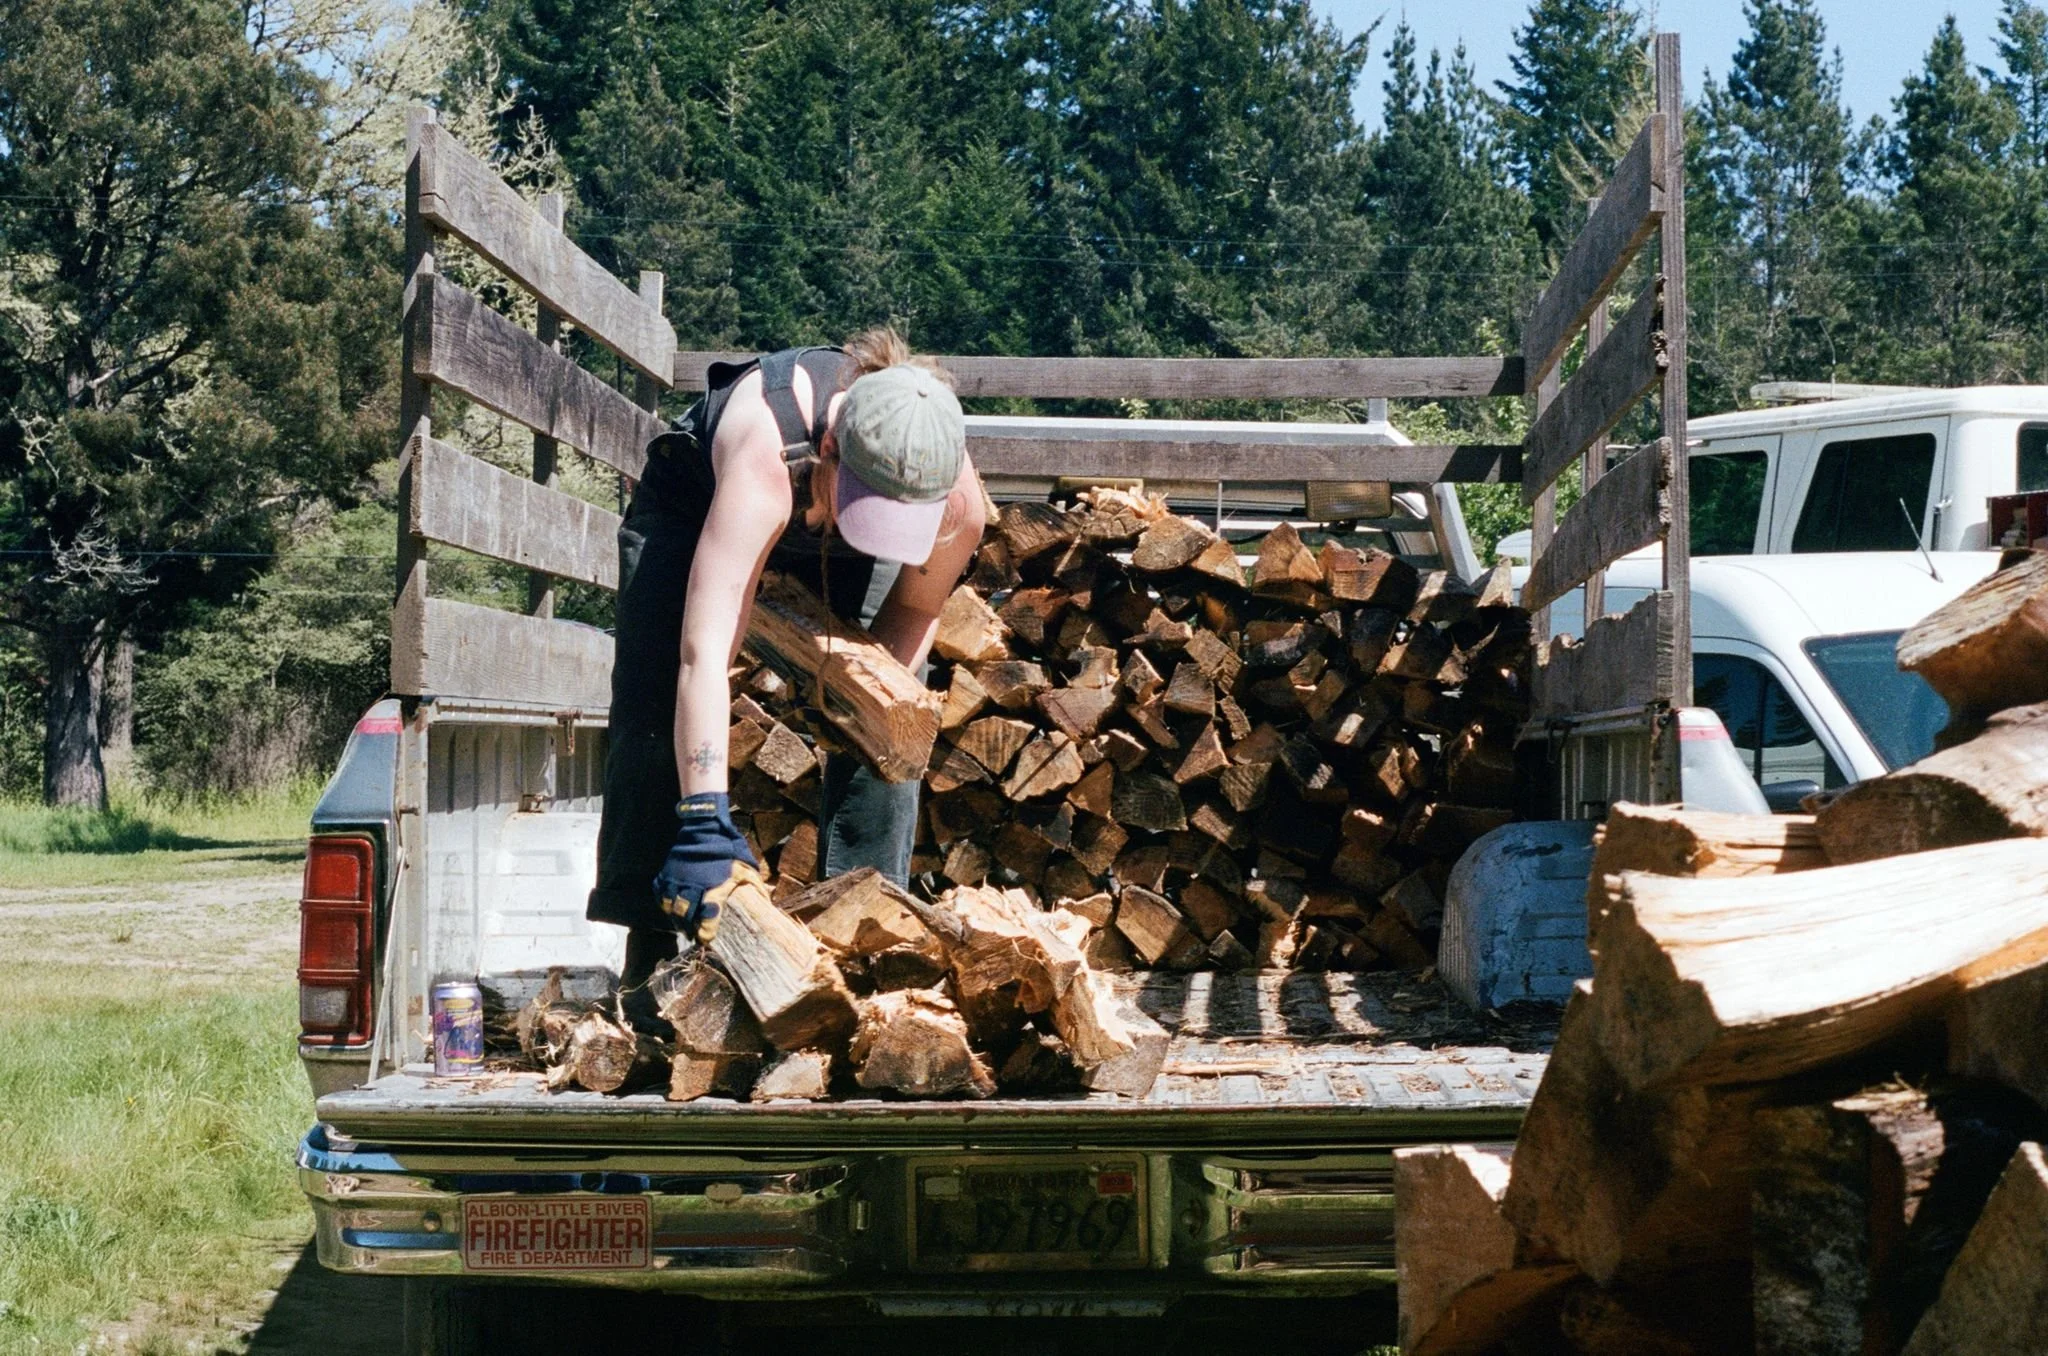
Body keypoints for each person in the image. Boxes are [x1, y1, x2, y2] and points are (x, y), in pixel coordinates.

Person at [587, 330, 986, 1009]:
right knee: (655, 708)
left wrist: (864, 705)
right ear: (830, 449)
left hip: (827, 517)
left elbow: (911, 622)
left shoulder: (956, 505)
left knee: (889, 727)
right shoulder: (766, 449)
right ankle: (648, 955)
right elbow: (704, 652)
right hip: (693, 511)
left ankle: (861, 943)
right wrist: (703, 816)